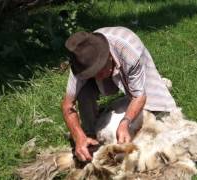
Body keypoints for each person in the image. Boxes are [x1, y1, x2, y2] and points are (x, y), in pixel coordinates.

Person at [61, 27, 176, 162]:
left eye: (100, 69)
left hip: (128, 59)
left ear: (109, 55)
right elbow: (68, 106)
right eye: (93, 73)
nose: (98, 76)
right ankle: (90, 134)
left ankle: (153, 85)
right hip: (104, 64)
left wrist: (125, 122)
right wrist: (78, 137)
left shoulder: (130, 52)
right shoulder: (82, 61)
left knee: (155, 108)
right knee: (83, 90)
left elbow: (139, 96)